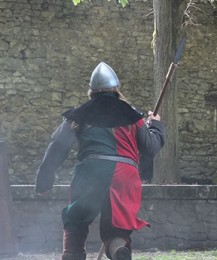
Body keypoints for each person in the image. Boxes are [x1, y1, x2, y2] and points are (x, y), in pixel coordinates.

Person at [34, 62, 165, 260]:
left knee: (76, 222)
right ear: (116, 90)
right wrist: (155, 125)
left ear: (91, 91)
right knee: (117, 229)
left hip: (91, 173)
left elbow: (58, 146)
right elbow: (151, 147)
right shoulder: (133, 115)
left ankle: (72, 255)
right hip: (125, 175)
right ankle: (119, 249)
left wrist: (44, 181)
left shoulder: (78, 115)